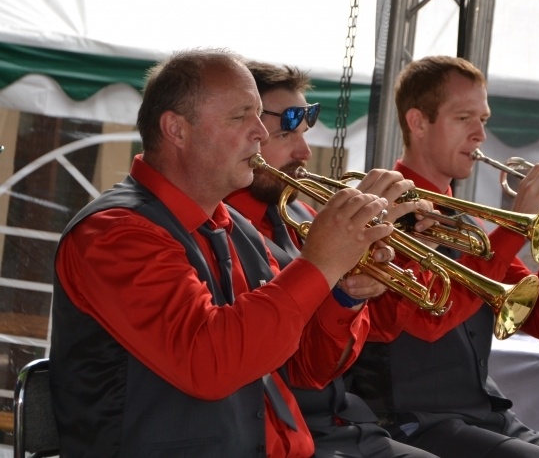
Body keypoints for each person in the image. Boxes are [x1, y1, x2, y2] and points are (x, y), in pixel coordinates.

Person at [49, 48, 397, 457]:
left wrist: (344, 293)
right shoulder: (114, 233)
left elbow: (305, 367)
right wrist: (318, 264)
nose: (261, 133)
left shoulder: (233, 227)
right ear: (176, 130)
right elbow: (208, 363)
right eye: (241, 116)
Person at [347, 55, 539, 458]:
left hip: (481, 415)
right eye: (464, 118)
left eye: (483, 119)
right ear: (418, 122)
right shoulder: (382, 210)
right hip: (410, 422)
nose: (480, 134)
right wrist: (519, 225)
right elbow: (430, 321)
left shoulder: (467, 223)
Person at [225, 61, 439, 458]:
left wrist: (359, 284)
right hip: (281, 433)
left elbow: (384, 331)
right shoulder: (220, 231)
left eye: (305, 134)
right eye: (287, 133)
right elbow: (300, 369)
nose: (304, 152)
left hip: (343, 423)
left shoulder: (305, 218)